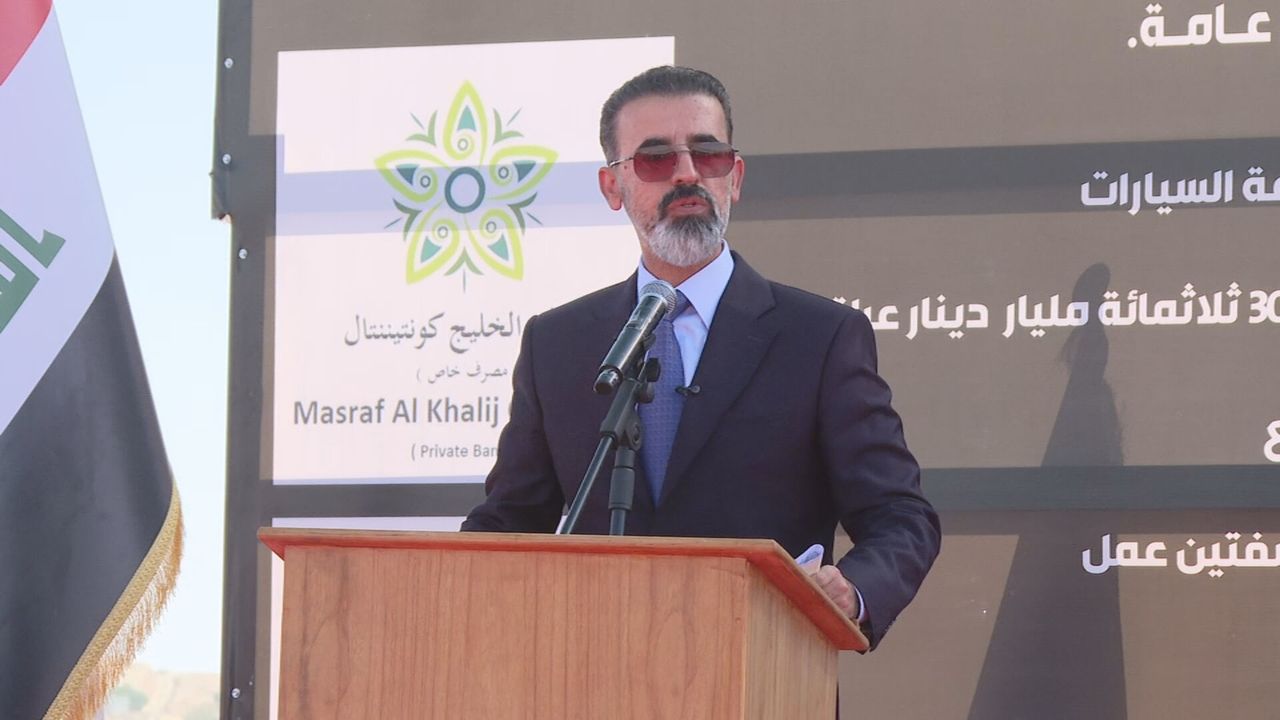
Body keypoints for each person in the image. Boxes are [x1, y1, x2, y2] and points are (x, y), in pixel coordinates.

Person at [462, 66, 939, 649]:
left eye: (707, 154)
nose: (687, 173)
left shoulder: (819, 336)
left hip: (761, 665)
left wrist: (853, 591)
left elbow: (899, 515)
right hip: (589, 662)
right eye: (655, 159)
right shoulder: (557, 343)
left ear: (734, 177)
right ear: (612, 187)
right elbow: (510, 521)